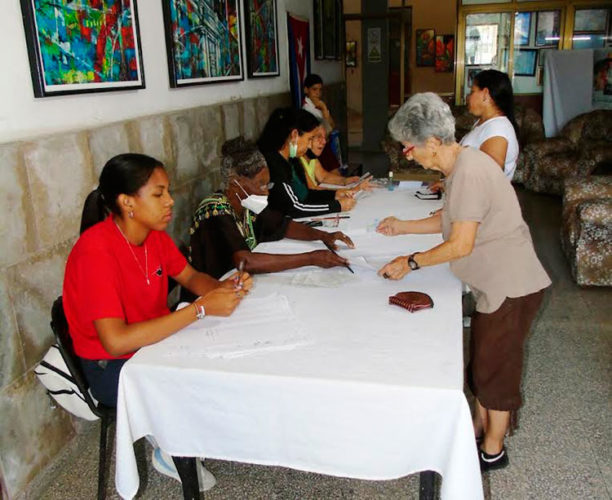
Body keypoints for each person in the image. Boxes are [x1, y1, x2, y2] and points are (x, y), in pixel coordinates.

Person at [376, 93, 551, 472]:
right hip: (496, 286)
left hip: (511, 286)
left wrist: (410, 262)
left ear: (433, 143)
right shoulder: (460, 167)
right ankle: (475, 429)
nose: (408, 155)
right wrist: (402, 226)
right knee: (481, 365)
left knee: (496, 371)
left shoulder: (469, 171)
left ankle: (492, 451)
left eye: (409, 148)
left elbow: (460, 243)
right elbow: (449, 219)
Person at [63, 153, 252, 488]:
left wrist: (226, 287)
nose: (170, 201)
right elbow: (116, 341)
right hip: (112, 366)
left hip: (152, 342)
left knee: (227, 351)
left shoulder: (154, 238)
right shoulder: (95, 253)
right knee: (195, 374)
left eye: (168, 192)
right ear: (127, 202)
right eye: (158, 193)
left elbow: (193, 278)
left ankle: (191, 429)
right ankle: (169, 444)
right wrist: (201, 309)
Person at [186, 136, 354, 286]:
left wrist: (324, 236)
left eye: (268, 184)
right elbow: (246, 261)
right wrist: (310, 258)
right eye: (260, 184)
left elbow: (282, 225)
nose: (266, 191)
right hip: (211, 295)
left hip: (239, 285)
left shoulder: (247, 205)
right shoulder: (215, 211)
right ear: (236, 183)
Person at [429, 69, 519, 193]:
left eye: (472, 92)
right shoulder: (484, 124)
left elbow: (489, 180)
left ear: (485, 95)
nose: (468, 97)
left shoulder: (498, 128)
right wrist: (447, 184)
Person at [258, 107, 355, 218]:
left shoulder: (292, 160)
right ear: (294, 135)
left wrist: (334, 194)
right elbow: (294, 208)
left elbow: (306, 195)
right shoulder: (272, 164)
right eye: (310, 139)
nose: (310, 145)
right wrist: (337, 206)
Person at [298, 124, 372, 193]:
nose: (324, 142)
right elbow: (313, 189)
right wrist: (352, 189)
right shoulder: (298, 160)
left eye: (325, 138)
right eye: (319, 137)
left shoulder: (312, 158)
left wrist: (345, 181)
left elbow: (324, 177)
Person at [302, 73, 343, 171]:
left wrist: (324, 109)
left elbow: (332, 125)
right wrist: (324, 109)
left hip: (325, 144)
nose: (318, 93)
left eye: (320, 90)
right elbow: (328, 130)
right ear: (306, 90)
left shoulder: (319, 105)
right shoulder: (307, 109)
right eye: (314, 89)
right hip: (316, 147)